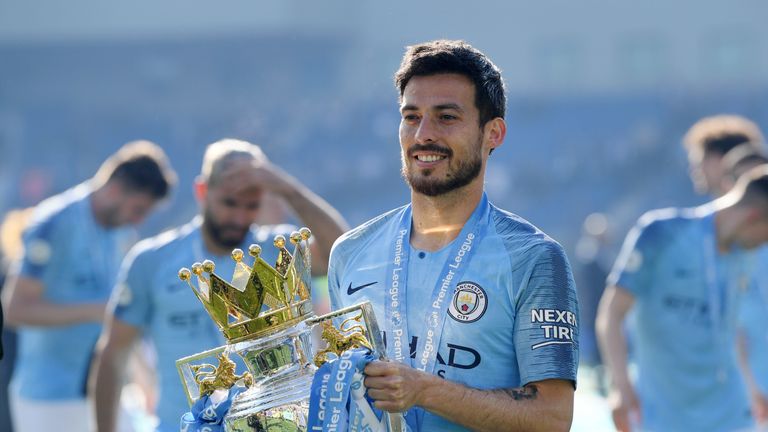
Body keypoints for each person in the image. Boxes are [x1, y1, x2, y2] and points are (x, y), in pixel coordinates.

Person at [327, 40, 579, 431]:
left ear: (493, 133)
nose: (423, 134)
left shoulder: (533, 258)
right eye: (411, 117)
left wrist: (424, 391)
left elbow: (552, 417)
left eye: (446, 117)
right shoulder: (351, 252)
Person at [90, 138, 349, 432]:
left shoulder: (280, 248)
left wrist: (287, 189)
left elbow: (344, 254)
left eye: (251, 205)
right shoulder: (150, 260)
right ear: (202, 191)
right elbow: (113, 354)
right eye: (229, 202)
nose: (239, 217)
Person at [1, 141, 176, 432]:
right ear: (116, 189)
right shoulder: (53, 224)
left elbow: (121, 314)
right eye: (137, 209)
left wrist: (145, 381)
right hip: (49, 397)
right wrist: (94, 311)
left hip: (108, 391)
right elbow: (15, 309)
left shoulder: (122, 234)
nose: (139, 220)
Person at [597, 164, 768, 432]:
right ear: (754, 217)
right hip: (661, 416)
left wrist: (751, 386)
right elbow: (612, 312)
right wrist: (620, 385)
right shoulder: (661, 233)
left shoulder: (743, 255)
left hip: (732, 416)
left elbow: (731, 328)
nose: (764, 244)